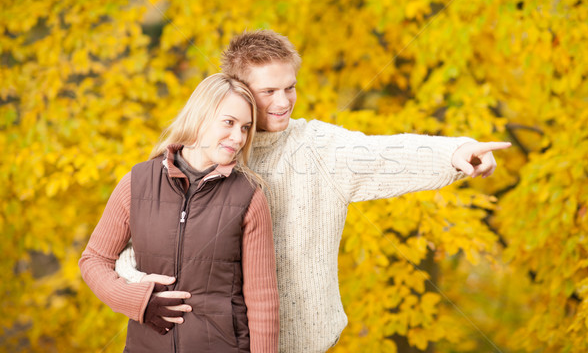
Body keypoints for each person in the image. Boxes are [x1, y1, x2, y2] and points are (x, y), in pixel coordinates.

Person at [116, 30, 511, 352]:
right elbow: (152, 238)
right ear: (235, 91)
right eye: (269, 91)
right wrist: (139, 289)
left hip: (303, 342)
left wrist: (454, 152)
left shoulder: (316, 146)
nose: (284, 101)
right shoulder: (211, 154)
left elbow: (381, 153)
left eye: (290, 87)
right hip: (217, 342)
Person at [79, 73, 279, 353]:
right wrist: (138, 301)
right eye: (229, 122)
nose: (238, 137)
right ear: (199, 117)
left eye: (245, 127)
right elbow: (94, 260)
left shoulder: (249, 196)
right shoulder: (137, 183)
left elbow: (262, 301)